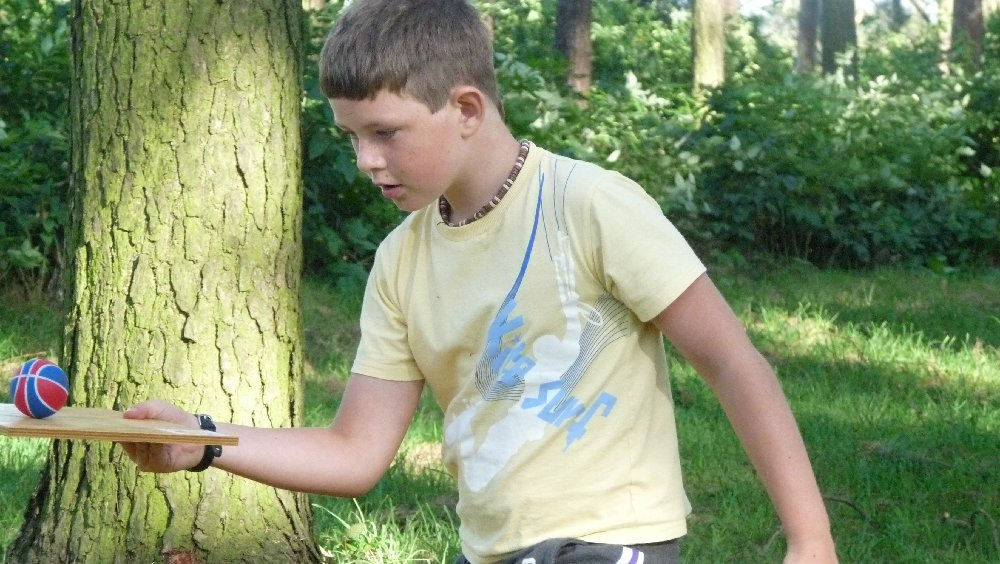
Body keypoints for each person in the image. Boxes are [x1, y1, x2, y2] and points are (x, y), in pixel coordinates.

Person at [122, 1, 838, 562]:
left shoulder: (588, 205)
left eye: (385, 132)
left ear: (465, 109)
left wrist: (810, 540)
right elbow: (354, 452)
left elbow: (732, 361)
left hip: (609, 543)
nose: (365, 160)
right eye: (352, 137)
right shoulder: (400, 261)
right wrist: (202, 441)